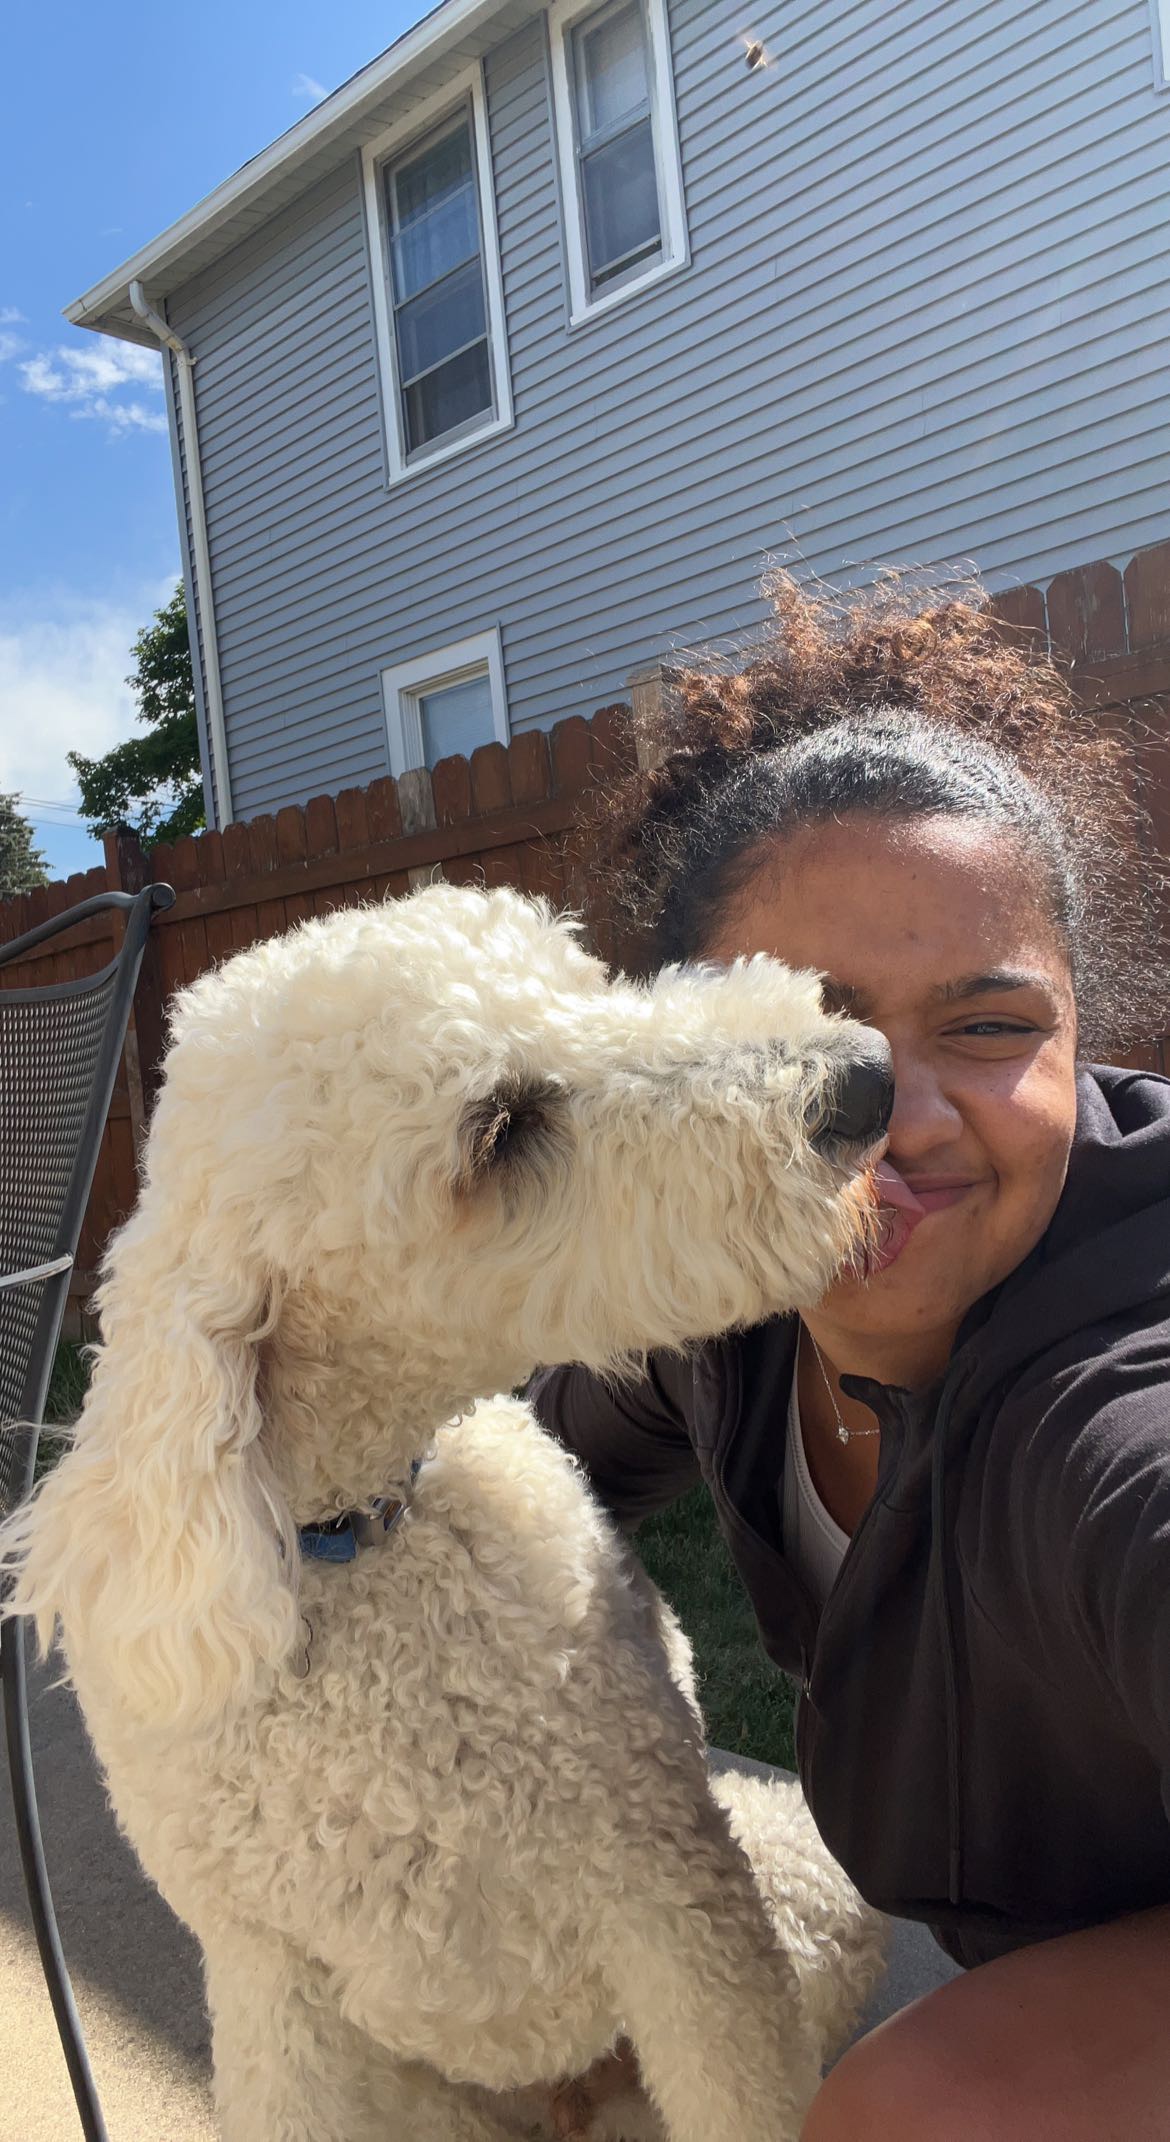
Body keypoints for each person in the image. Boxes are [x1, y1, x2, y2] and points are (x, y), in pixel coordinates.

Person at [529, 574, 1170, 2139]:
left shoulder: (1115, 1391)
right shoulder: (715, 1294)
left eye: (985, 1025)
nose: (894, 1114)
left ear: (1082, 1038)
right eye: (809, 1025)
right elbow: (532, 1470)